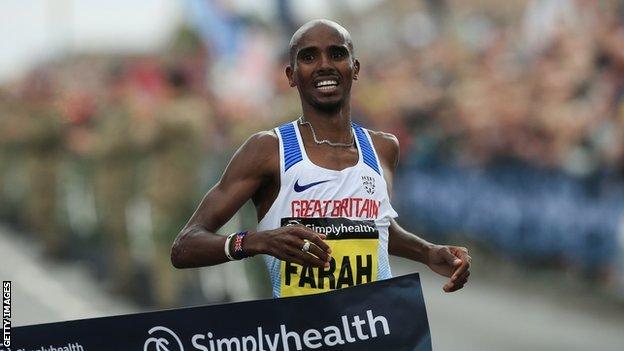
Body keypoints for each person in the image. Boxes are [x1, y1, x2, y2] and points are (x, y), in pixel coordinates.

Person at [171, 19, 471, 298]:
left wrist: (428, 252)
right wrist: (255, 242)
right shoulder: (267, 149)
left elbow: (374, 228)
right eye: (309, 57)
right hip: (304, 333)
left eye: (337, 54)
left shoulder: (382, 148)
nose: (324, 65)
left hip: (371, 327)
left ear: (354, 68)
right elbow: (185, 247)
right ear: (291, 75)